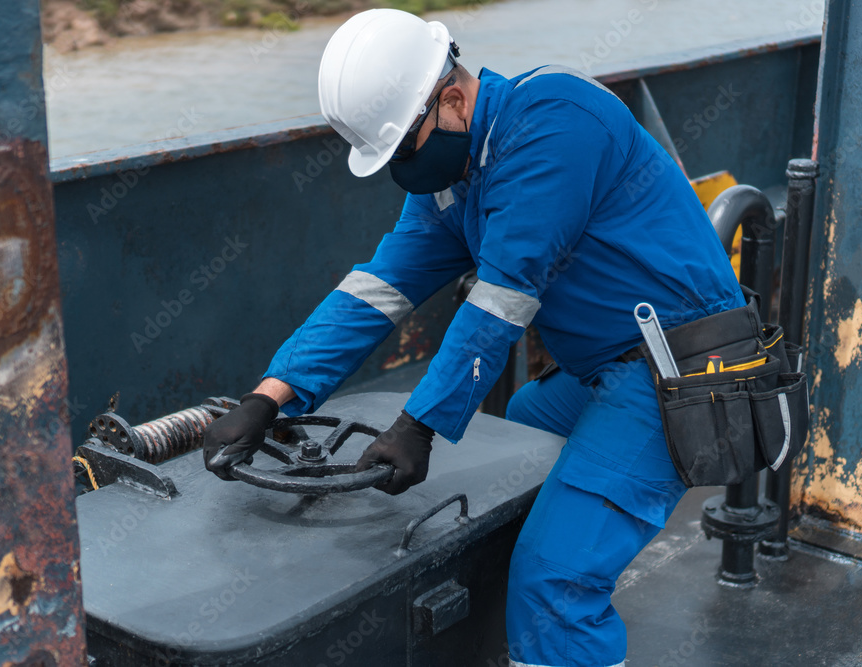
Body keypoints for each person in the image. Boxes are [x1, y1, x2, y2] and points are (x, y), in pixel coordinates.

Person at [203, 9, 745, 667]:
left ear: (453, 99)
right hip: (609, 363)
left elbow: (502, 300)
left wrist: (419, 425)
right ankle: (547, 586)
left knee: (554, 581)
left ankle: (558, 605)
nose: (405, 168)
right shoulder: (458, 174)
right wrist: (269, 395)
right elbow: (380, 287)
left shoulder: (554, 123)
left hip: (682, 366)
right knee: (523, 424)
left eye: (405, 149)